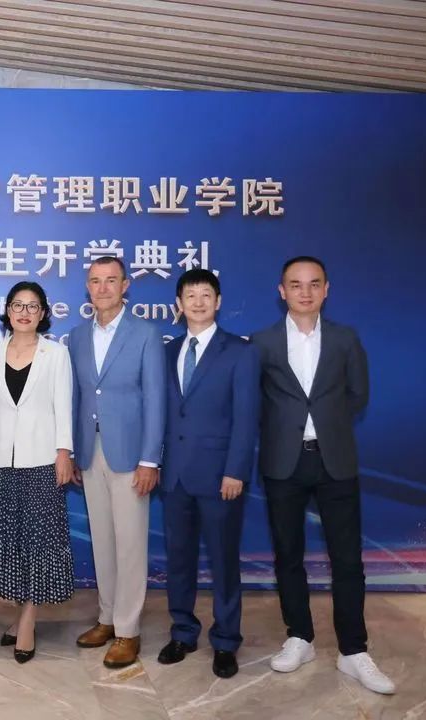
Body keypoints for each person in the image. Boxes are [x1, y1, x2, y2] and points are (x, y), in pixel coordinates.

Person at [252, 256, 395, 694]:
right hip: (284, 462)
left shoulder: (345, 338)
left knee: (347, 559)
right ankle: (300, 637)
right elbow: (254, 400)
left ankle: (353, 650)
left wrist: (326, 424)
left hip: (335, 460)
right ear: (282, 291)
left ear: (327, 289)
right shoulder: (261, 342)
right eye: (295, 285)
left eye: (314, 284)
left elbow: (358, 394)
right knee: (288, 554)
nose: (305, 292)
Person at [156, 269, 259, 680]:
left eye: (205, 295)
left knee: (223, 561)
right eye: (190, 295)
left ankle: (226, 641)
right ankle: (183, 632)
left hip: (220, 477)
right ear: (178, 305)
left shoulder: (240, 351)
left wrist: (236, 470)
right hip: (175, 476)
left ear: (218, 302)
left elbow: (246, 417)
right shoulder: (167, 351)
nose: (197, 302)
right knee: (178, 560)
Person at [68, 256, 165, 669]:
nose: (103, 288)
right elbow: (77, 397)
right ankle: (107, 618)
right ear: (87, 288)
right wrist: (74, 452)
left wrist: (150, 459)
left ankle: (128, 629)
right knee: (103, 542)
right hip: (90, 453)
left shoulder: (145, 334)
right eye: (95, 281)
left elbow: (156, 399)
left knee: (130, 545)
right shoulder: (76, 336)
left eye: (111, 280)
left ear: (125, 286)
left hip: (131, 456)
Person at [0, 281, 75, 664]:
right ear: (7, 311)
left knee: (39, 542)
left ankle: (29, 621)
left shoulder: (56, 354)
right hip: (3, 459)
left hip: (43, 459)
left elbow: (63, 406)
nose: (24, 312)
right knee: (12, 542)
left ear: (43, 313)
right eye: (17, 305)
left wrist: (64, 452)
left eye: (33, 306)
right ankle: (20, 614)